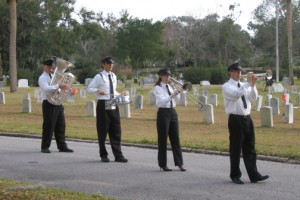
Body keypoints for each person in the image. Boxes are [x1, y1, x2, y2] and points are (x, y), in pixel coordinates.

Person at [222, 62, 269, 184]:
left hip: (247, 118)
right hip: (235, 119)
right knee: (236, 148)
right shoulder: (226, 86)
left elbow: (253, 97)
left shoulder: (244, 84)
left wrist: (252, 85)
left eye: (240, 71)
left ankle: (254, 175)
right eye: (237, 71)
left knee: (250, 148)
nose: (239, 74)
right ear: (230, 72)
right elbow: (236, 95)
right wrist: (248, 83)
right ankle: (235, 175)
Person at [87, 56, 128, 163]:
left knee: (116, 130)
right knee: (102, 130)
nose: (111, 66)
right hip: (103, 104)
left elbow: (113, 90)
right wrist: (97, 90)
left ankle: (118, 155)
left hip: (113, 103)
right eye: (108, 64)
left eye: (112, 64)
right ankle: (103, 154)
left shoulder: (114, 76)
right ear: (103, 64)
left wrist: (120, 94)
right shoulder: (99, 76)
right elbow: (89, 88)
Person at [153, 67, 186, 172]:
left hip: (172, 112)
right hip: (163, 113)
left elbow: (177, 100)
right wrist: (172, 95)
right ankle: (163, 164)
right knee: (163, 139)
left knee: (175, 138)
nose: (168, 77)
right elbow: (161, 102)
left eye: (169, 75)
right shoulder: (157, 88)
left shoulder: (170, 86)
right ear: (161, 76)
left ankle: (180, 163)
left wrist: (178, 93)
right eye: (166, 75)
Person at [38, 59, 73, 153]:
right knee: (48, 126)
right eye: (49, 66)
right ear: (44, 66)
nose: (51, 68)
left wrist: (68, 91)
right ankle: (45, 147)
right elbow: (46, 89)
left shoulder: (55, 76)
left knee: (61, 125)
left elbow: (60, 89)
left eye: (52, 66)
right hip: (48, 103)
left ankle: (62, 146)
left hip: (58, 103)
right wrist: (58, 86)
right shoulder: (42, 78)